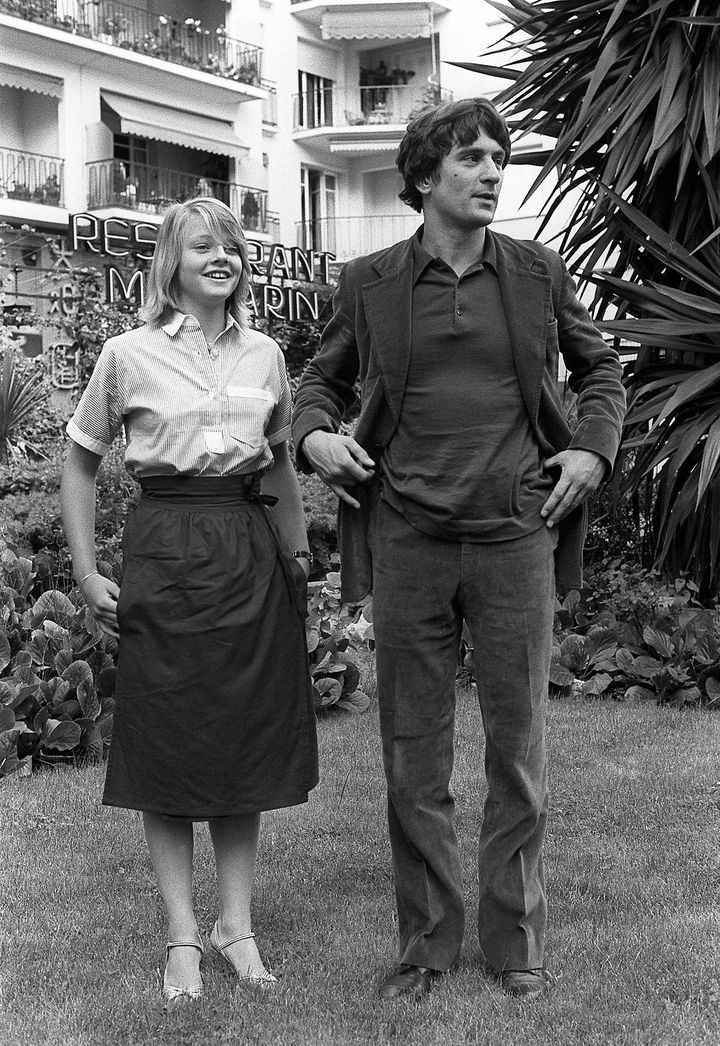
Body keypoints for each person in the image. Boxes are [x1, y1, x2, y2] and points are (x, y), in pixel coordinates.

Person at [292, 98, 626, 1000]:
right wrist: (314, 435)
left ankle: (515, 945)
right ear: (426, 174)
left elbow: (601, 370)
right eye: (472, 157)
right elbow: (318, 381)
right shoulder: (367, 281)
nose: (491, 171)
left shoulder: (536, 273)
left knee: (517, 751)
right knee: (414, 755)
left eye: (498, 157)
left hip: (517, 535)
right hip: (407, 540)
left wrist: (593, 448)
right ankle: (427, 945)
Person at [61, 197, 318, 1004]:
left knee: (241, 740)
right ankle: (181, 934)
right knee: (169, 741)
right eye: (204, 246)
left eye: (233, 247)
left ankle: (233, 927)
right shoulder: (126, 355)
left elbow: (276, 463)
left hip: (249, 548)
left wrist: (300, 553)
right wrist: (84, 570)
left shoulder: (268, 356)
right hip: (165, 548)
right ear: (170, 264)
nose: (223, 257)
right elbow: (79, 463)